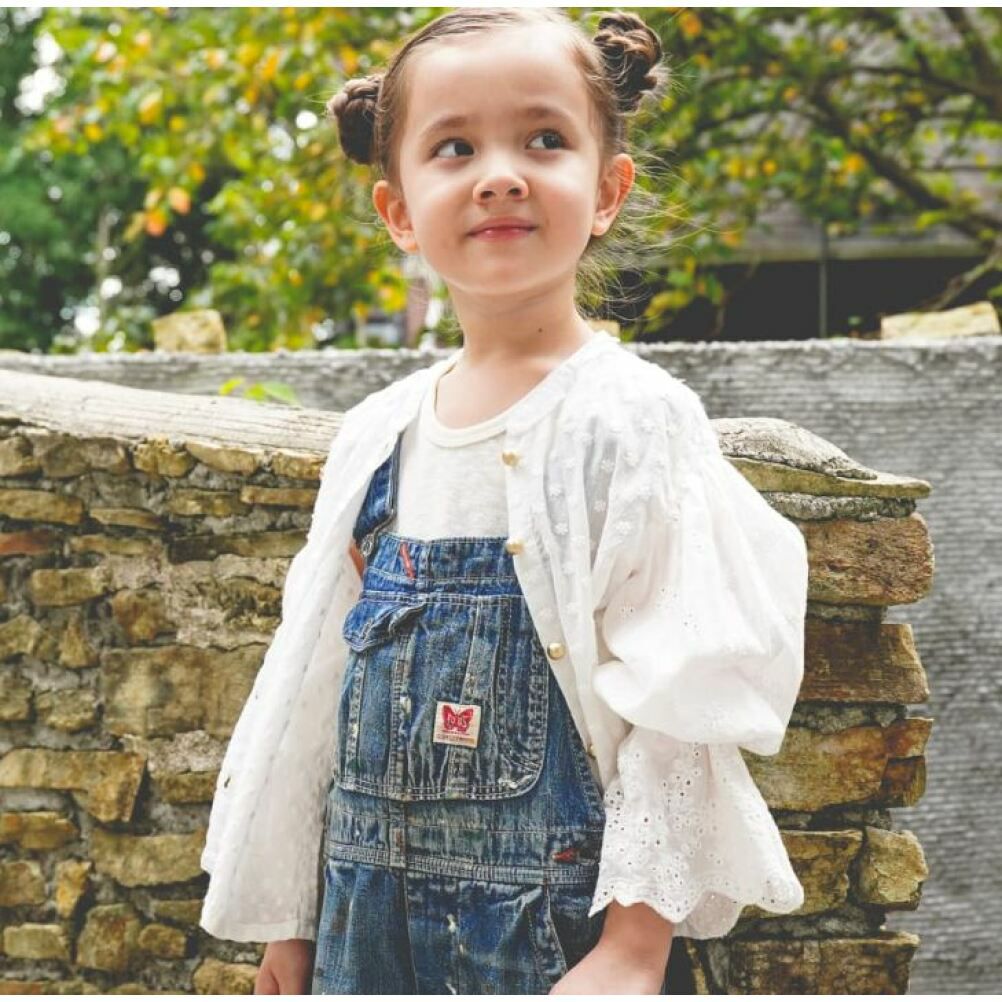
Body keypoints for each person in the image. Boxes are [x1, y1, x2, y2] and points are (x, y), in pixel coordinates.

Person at [198, 7, 810, 995]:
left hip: (550, 945)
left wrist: (634, 949)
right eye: (454, 148)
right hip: (359, 935)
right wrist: (291, 926)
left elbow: (683, 701)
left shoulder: (630, 422)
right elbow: (314, 696)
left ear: (607, 189)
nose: (500, 175)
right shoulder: (378, 435)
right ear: (398, 210)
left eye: (544, 140)